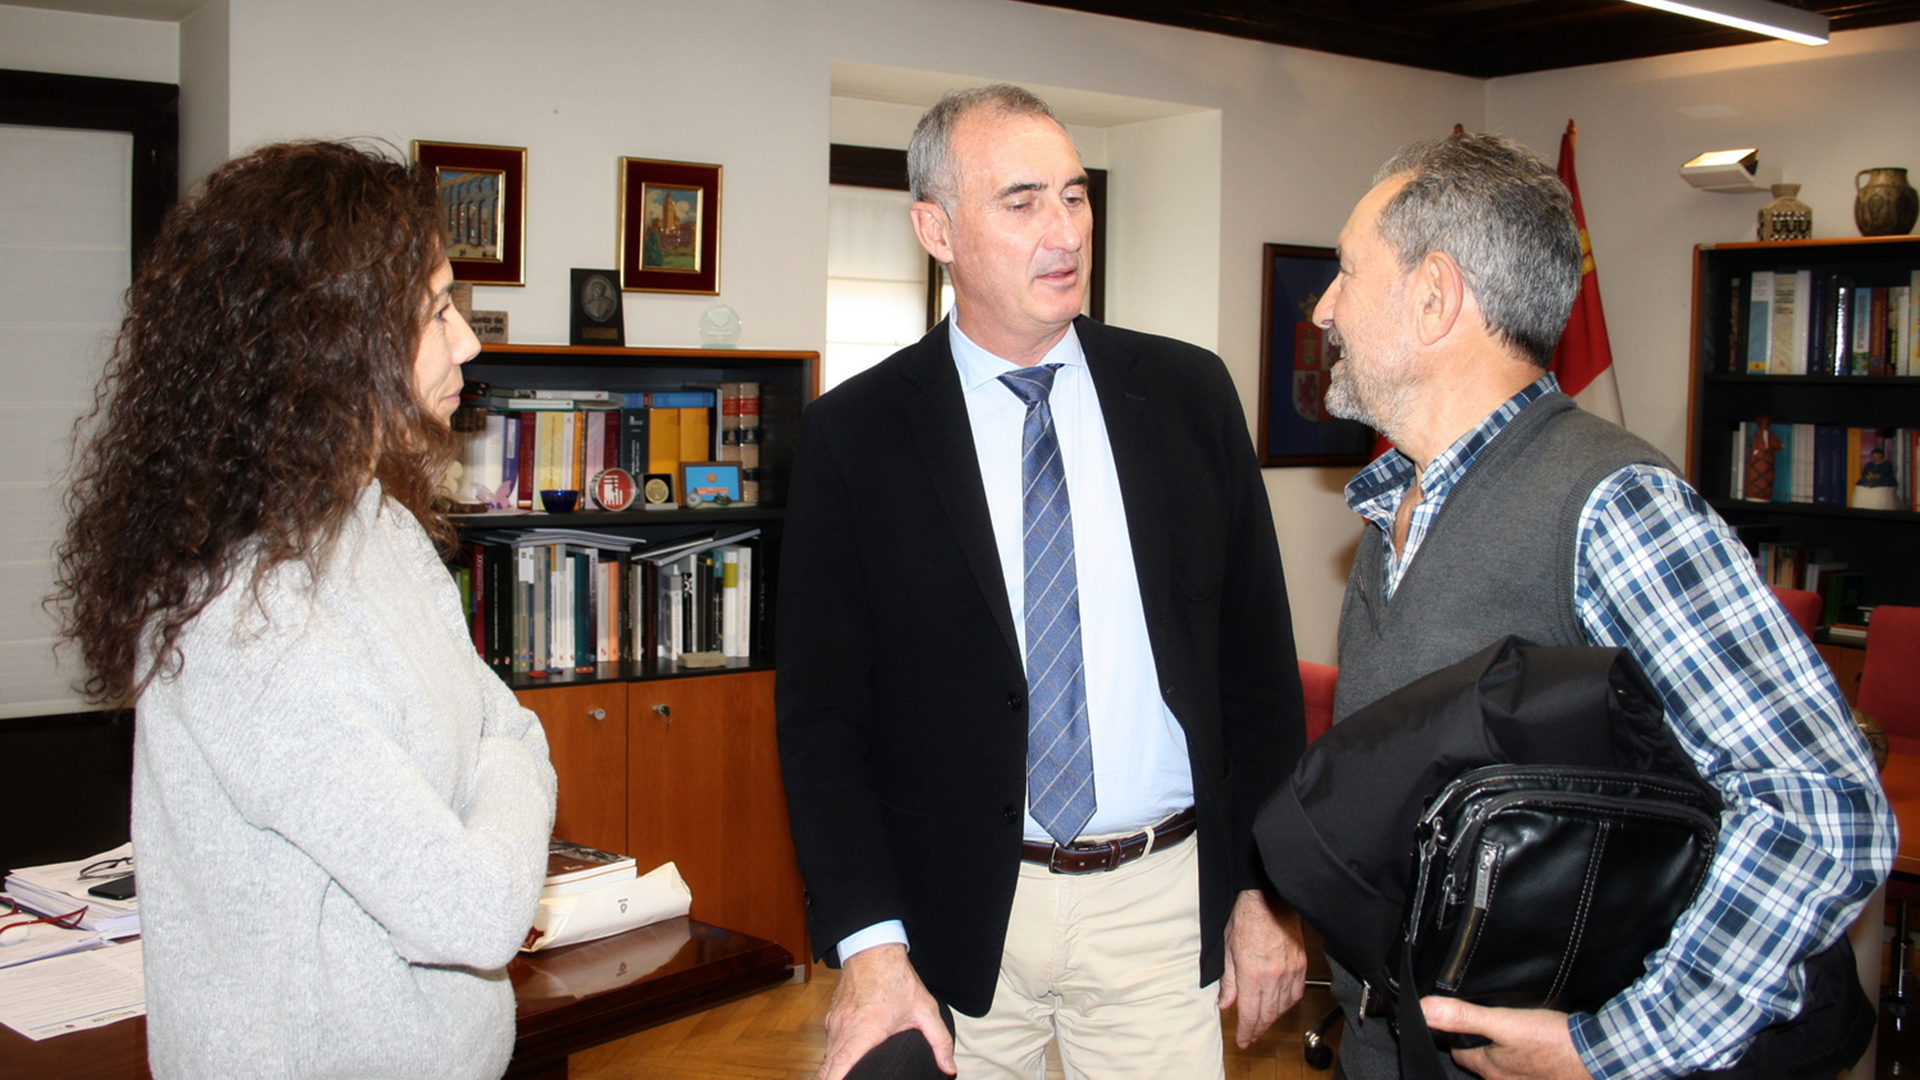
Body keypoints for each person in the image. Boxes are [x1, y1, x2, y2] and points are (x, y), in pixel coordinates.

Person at [1310, 132, 1896, 1080]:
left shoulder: (1613, 503)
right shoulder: (1395, 505)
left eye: (1345, 273)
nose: (1325, 307)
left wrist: (1619, 1045)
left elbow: (1820, 807)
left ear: (1433, 297)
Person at [776, 84, 1309, 1080]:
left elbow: (1257, 676)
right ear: (935, 227)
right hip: (955, 919)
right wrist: (868, 941)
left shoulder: (1189, 396)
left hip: (1159, 902)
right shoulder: (855, 437)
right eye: (1021, 202)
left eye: (1074, 196)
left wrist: (1260, 891)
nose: (1064, 232)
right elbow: (821, 723)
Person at [53, 141, 557, 1079]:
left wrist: (504, 755)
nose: (469, 341)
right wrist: (509, 763)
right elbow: (476, 910)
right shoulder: (238, 622)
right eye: (435, 310)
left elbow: (510, 727)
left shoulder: (379, 528)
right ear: (329, 343)